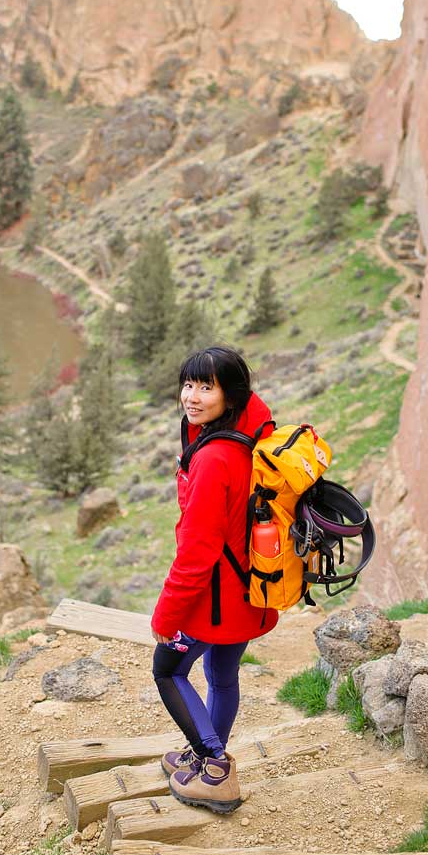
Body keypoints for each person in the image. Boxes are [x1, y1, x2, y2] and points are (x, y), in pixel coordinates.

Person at [150, 345, 278, 813]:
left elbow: (196, 551)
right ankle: (205, 756)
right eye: (189, 384)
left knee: (168, 670)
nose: (193, 397)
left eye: (208, 387)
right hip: (251, 590)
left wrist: (167, 613)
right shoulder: (252, 433)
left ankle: (216, 767)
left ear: (231, 394)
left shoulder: (213, 459)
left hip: (214, 598)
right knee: (221, 675)